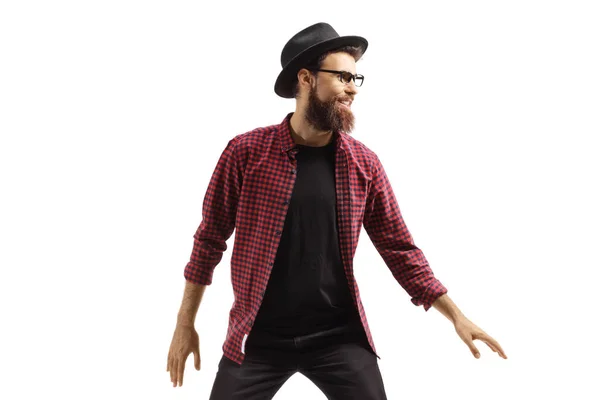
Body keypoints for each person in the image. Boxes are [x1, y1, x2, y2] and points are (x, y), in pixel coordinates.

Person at [166, 22, 507, 399]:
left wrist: (456, 316)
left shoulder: (364, 164)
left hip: (338, 337)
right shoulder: (246, 153)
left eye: (356, 77)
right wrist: (185, 324)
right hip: (257, 336)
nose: (353, 88)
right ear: (306, 78)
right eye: (343, 76)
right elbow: (209, 239)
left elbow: (399, 249)